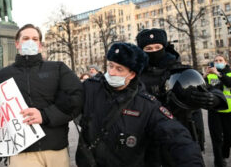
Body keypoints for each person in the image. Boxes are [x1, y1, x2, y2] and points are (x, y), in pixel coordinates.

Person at [76, 42, 203, 167]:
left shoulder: (146, 104)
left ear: (132, 74)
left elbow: (175, 135)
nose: (112, 72)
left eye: (119, 69)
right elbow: (66, 104)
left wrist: (191, 161)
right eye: (110, 66)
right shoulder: (90, 88)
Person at [0, 24, 83, 167]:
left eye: (35, 39)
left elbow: (76, 98)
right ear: (17, 44)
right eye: (26, 38)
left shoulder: (58, 68)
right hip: (21, 153)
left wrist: (45, 115)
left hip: (56, 150)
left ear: (40, 45)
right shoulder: (1, 75)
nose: (30, 41)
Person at [136, 28, 227, 166]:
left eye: (157, 47)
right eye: (148, 48)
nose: (153, 51)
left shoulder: (180, 70)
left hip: (181, 138)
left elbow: (209, 89)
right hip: (146, 142)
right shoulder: (134, 76)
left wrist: (214, 99)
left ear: (165, 47)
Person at [204, 55, 231, 167]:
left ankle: (224, 155)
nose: (218, 62)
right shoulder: (209, 75)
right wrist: (204, 75)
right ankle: (219, 162)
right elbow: (201, 87)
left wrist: (218, 74)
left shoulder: (229, 74)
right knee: (216, 139)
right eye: (216, 61)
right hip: (214, 111)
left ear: (226, 62)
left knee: (229, 137)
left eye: (220, 60)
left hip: (228, 112)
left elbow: (229, 83)